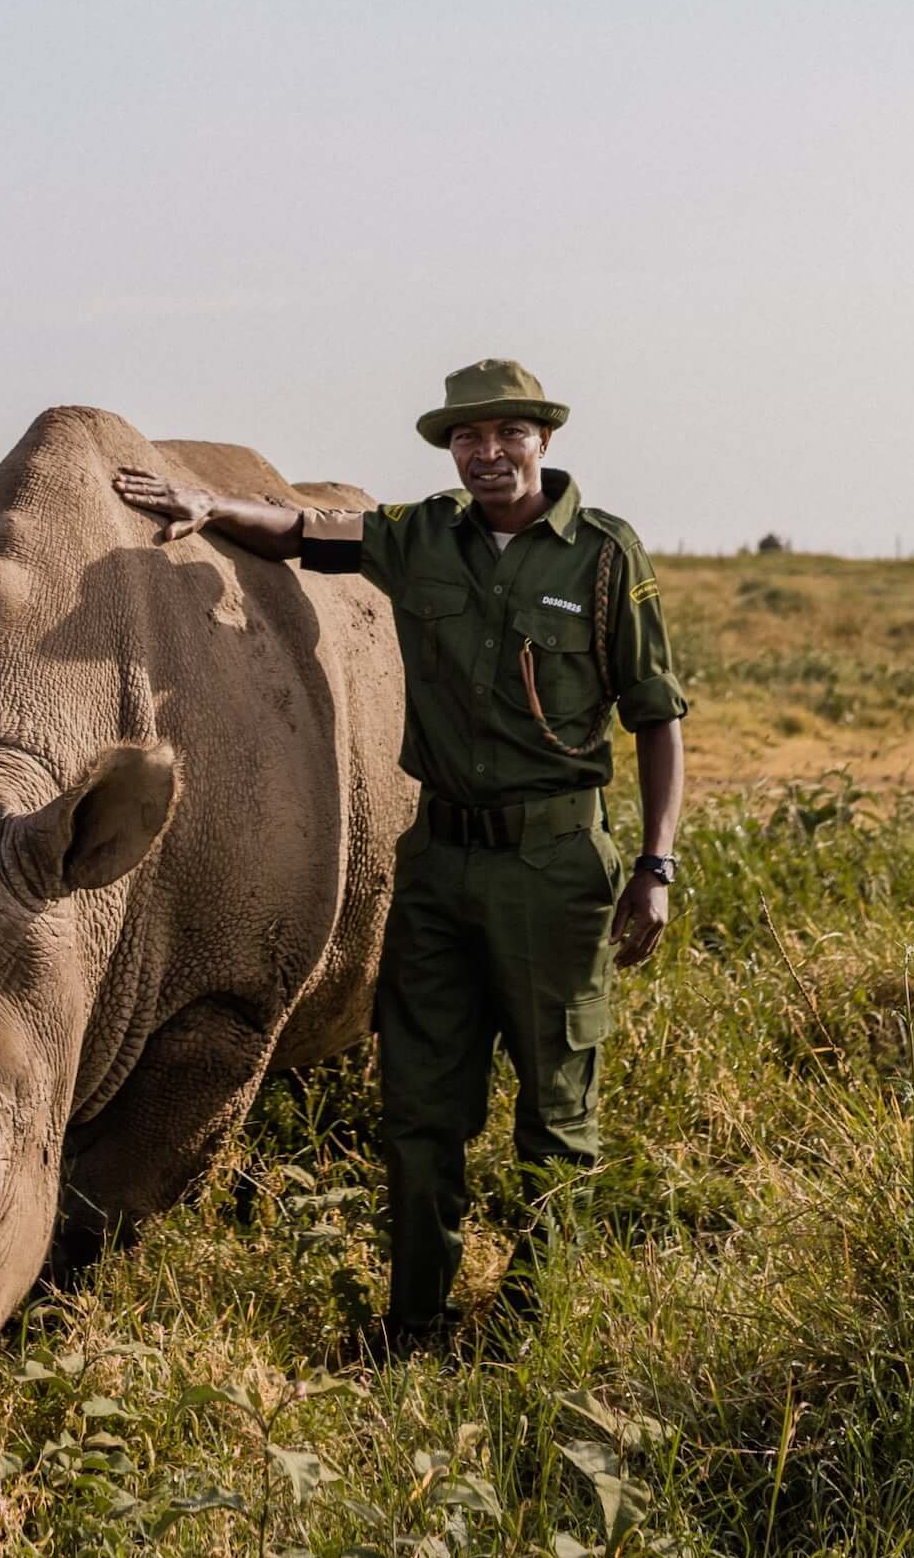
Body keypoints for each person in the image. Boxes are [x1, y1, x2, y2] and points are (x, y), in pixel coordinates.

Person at [115, 356, 686, 1353]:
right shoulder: (421, 538)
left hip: (555, 867)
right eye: (468, 437)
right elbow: (301, 531)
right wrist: (208, 504)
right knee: (420, 1111)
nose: (487, 451)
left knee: (556, 1117)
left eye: (506, 433)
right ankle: (414, 1323)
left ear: (543, 441)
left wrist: (655, 865)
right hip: (435, 869)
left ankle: (530, 1325)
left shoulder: (602, 556)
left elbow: (656, 717)